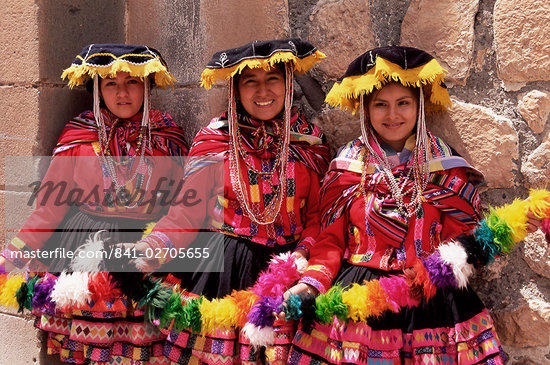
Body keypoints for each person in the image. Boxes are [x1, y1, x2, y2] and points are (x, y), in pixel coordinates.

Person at [283, 46, 543, 364]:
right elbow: (331, 240)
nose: (393, 115)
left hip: (433, 301)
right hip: (359, 302)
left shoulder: (444, 166)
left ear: (419, 106)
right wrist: (312, 283)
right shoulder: (348, 167)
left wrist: (506, 229)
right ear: (366, 109)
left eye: (403, 103)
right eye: (381, 105)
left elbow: (463, 241)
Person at [132, 38, 331, 364]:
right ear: (235, 90)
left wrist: (303, 257)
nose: (262, 91)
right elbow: (185, 214)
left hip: (287, 272)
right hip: (222, 269)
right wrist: (148, 250)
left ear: (288, 85)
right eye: (250, 82)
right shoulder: (216, 139)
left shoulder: (311, 142)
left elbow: (318, 216)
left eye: (273, 80)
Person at [0, 43, 188, 364]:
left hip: (144, 247)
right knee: (89, 350)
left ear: (147, 85)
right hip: (86, 247)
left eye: (132, 82)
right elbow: (49, 207)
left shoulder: (168, 138)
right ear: (97, 90)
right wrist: (12, 254)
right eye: (110, 83)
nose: (122, 93)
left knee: (144, 348)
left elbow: (182, 207)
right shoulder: (78, 136)